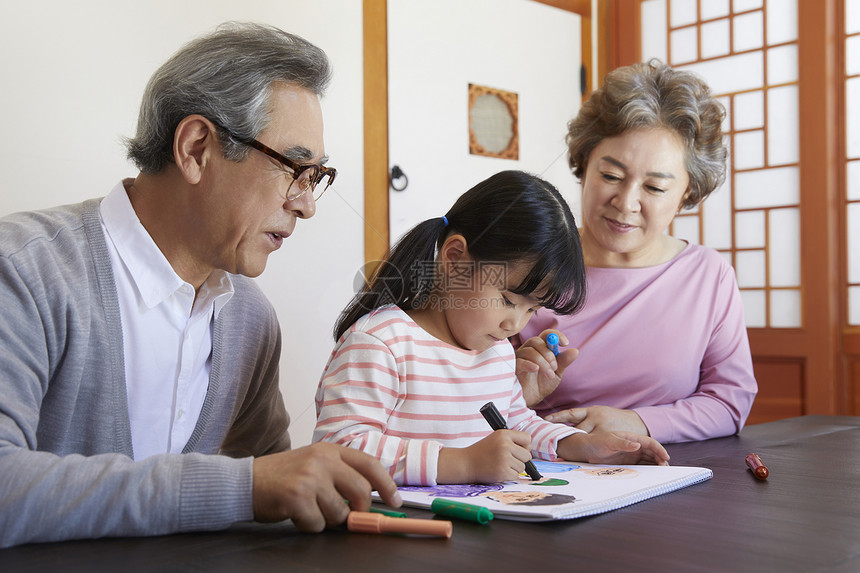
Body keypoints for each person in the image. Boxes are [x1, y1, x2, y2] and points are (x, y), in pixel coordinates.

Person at [0, 22, 400, 548]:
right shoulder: (25, 269)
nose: (307, 204)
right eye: (295, 169)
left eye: (317, 176)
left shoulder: (250, 318)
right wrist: (244, 487)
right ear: (195, 149)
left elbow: (274, 486)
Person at [313, 171, 669, 486]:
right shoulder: (381, 343)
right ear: (454, 259)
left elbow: (514, 424)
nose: (515, 324)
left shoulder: (496, 350)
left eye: (532, 309)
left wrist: (578, 444)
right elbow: (339, 447)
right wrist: (462, 463)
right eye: (508, 299)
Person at [515, 60, 757, 444]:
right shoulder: (525, 266)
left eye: (655, 188)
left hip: (669, 473)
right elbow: (461, 397)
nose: (625, 202)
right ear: (584, 163)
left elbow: (729, 402)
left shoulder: (707, 275)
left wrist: (638, 422)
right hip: (544, 466)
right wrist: (512, 383)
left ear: (687, 194)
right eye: (610, 176)